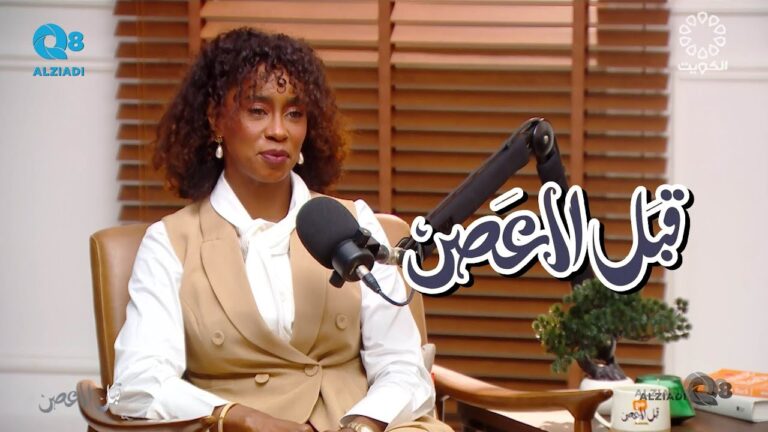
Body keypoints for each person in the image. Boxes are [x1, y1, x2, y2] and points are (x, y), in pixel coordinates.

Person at [109, 28, 451, 432]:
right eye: (257, 110)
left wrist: (364, 423)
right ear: (216, 119)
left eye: (294, 113)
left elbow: (401, 364)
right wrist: (242, 418)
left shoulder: (353, 223)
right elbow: (140, 382)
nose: (279, 130)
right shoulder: (170, 243)